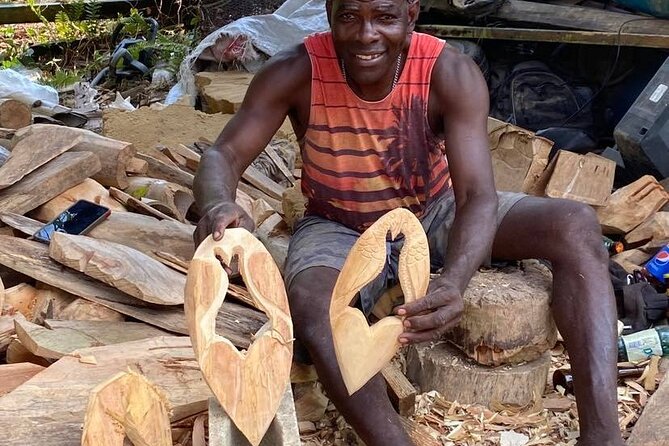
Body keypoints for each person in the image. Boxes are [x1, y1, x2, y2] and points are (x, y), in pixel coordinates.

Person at [193, 1, 624, 444]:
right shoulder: (294, 71)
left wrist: (455, 279)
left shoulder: (449, 73)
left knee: (573, 223)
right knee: (312, 306)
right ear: (329, 13)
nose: (366, 35)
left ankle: (603, 435)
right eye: (349, 18)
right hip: (337, 224)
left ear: (411, 15)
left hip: (434, 210)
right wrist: (218, 203)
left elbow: (476, 195)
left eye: (384, 17)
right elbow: (221, 154)